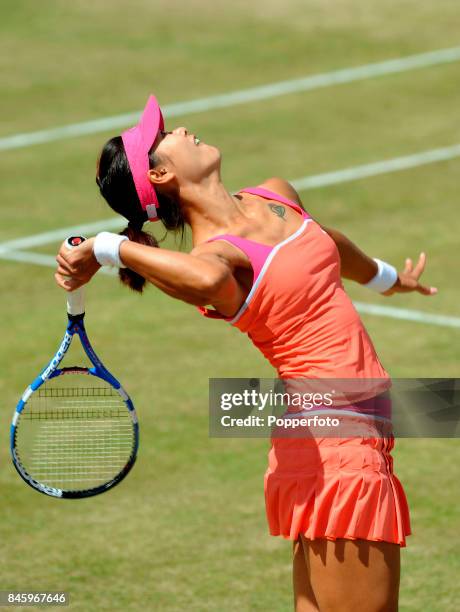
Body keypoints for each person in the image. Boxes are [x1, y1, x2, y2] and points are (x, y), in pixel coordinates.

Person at [55, 95, 437, 611]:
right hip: (338, 446)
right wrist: (108, 247)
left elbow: (326, 240)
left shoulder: (271, 194)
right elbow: (206, 279)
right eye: (163, 136)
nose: (181, 128)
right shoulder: (218, 257)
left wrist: (388, 278)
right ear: (162, 174)